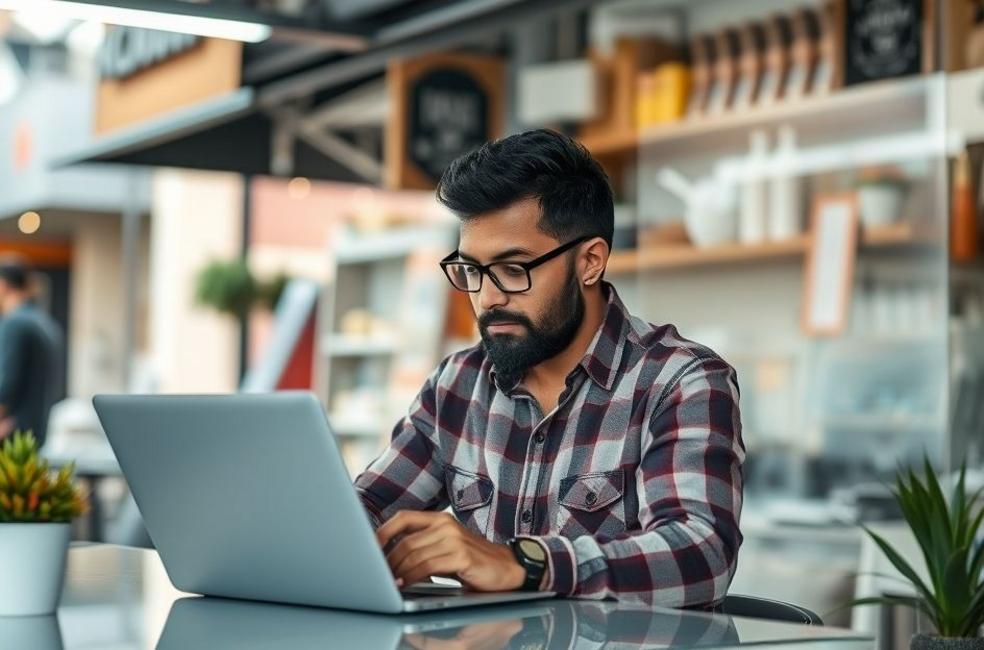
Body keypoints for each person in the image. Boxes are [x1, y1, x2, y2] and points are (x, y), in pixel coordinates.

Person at [355, 129, 744, 607]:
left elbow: (701, 554)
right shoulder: (457, 385)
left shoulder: (680, 381)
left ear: (590, 262)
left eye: (513, 269)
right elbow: (366, 507)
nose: (488, 297)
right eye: (472, 270)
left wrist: (526, 565)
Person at [0, 255, 63, 447]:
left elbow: (6, 388)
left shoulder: (15, 323)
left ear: (3, 285)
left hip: (11, 437)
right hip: (36, 434)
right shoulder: (45, 323)